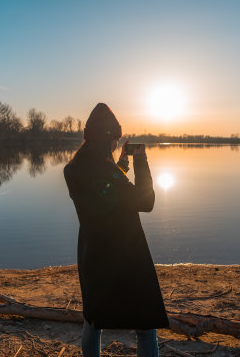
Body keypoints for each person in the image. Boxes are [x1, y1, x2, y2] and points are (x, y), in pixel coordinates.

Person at [63, 103, 169, 357]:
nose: (116, 144)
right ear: (107, 138)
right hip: (126, 257)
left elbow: (103, 194)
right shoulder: (106, 172)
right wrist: (141, 161)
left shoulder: (74, 169)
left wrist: (120, 167)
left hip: (94, 256)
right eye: (115, 139)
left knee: (93, 322)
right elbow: (146, 202)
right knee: (145, 327)